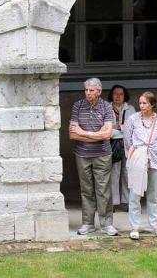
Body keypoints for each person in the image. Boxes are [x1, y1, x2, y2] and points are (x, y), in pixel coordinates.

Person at [69, 77, 116, 235]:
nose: (87, 93)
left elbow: (108, 134)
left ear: (99, 91)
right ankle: (88, 223)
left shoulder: (107, 107)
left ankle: (106, 224)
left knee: (103, 190)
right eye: (86, 90)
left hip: (102, 154)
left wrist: (84, 132)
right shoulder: (78, 106)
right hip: (82, 154)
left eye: (91, 90)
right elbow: (73, 135)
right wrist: (97, 134)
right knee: (86, 190)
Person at [122, 91, 157, 240]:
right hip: (137, 158)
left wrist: (156, 151)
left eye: (145, 103)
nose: (142, 106)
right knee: (135, 194)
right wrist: (136, 153)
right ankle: (135, 226)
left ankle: (155, 225)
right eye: (140, 103)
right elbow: (127, 140)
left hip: (154, 158)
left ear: (152, 104)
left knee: (152, 195)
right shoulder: (132, 119)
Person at [108, 84, 136, 208]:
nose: (118, 96)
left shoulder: (131, 109)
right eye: (115, 94)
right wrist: (122, 130)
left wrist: (119, 128)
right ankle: (113, 202)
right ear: (111, 95)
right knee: (114, 173)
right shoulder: (106, 108)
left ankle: (126, 202)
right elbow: (106, 129)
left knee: (127, 172)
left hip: (128, 144)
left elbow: (134, 128)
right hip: (112, 144)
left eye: (121, 94)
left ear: (125, 96)